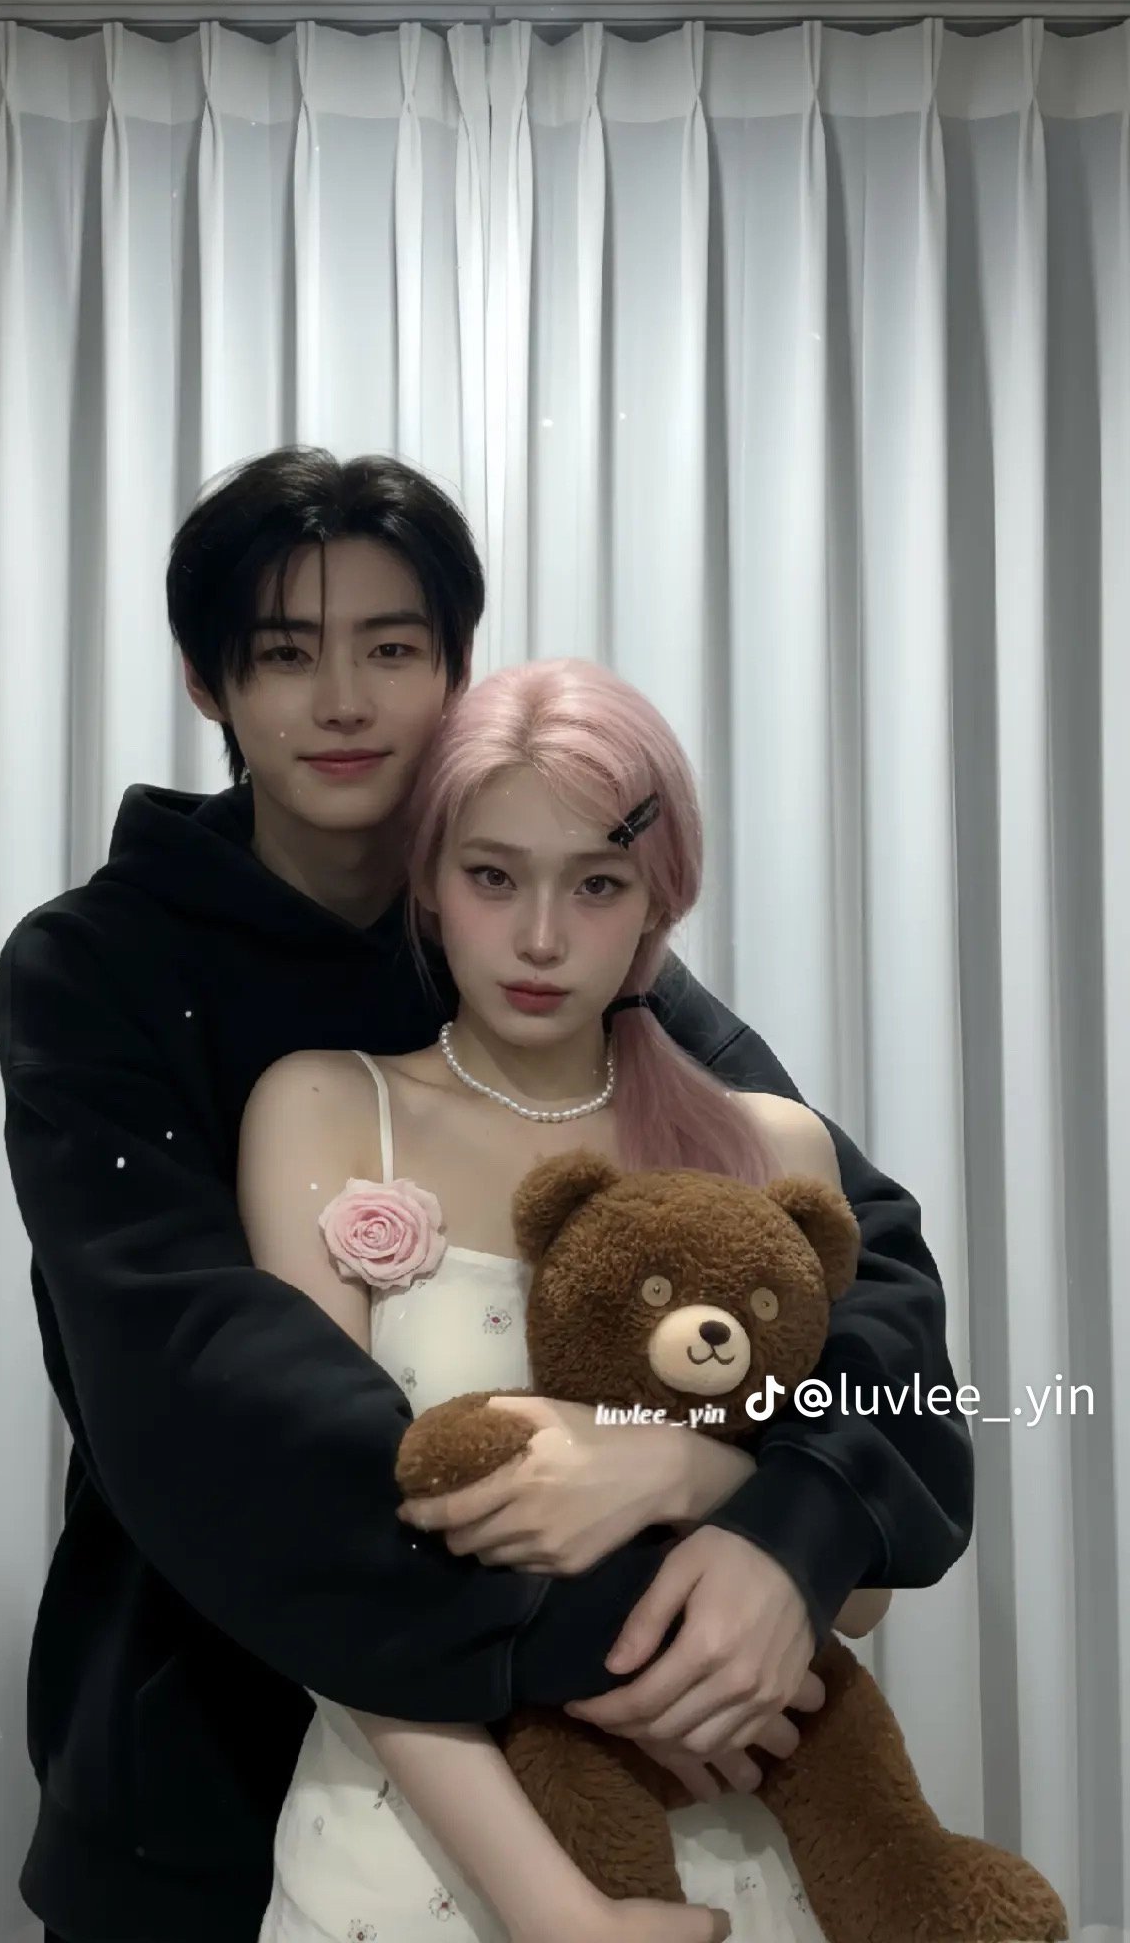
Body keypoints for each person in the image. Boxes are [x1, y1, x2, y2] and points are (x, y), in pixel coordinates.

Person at [0, 447, 973, 1943]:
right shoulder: (102, 971)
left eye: (392, 649)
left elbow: (862, 1265)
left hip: (650, 1784)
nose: (344, 701)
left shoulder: (522, 933)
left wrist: (778, 1521)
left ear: (455, 665)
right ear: (205, 680)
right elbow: (203, 1392)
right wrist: (641, 1648)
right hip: (212, 1745)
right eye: (285, 652)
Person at [242, 656, 891, 1943]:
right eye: (494, 876)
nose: (541, 937)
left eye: (597, 883)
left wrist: (686, 1467)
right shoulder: (326, 1108)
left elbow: (862, 1589)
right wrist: (558, 1910)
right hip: (409, 1845)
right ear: (428, 881)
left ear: (658, 896)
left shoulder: (774, 1149)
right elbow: (317, 1558)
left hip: (730, 1833)